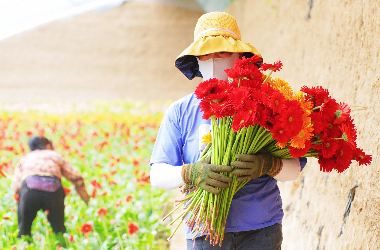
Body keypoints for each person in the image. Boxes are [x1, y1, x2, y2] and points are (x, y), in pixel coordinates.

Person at [150, 12, 307, 250]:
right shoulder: (179, 112)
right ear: (197, 60)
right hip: (205, 230)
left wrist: (267, 165)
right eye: (205, 53)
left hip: (261, 230)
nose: (213, 59)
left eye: (222, 51)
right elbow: (157, 174)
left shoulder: (265, 105)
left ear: (239, 57)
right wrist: (189, 173)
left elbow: (294, 169)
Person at [11, 136, 90, 238]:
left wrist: (21, 201)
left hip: (30, 191)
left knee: (24, 231)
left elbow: (16, 185)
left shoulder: (26, 158)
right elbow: (75, 177)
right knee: (59, 229)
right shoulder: (55, 155)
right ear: (48, 146)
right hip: (53, 191)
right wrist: (85, 198)